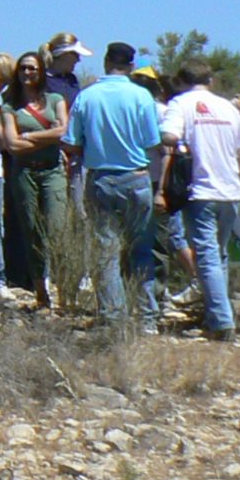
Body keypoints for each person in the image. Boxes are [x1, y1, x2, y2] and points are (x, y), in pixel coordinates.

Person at [64, 42, 164, 333]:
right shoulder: (141, 96)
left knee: (106, 250)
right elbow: (152, 142)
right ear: (131, 66)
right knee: (141, 249)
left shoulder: (87, 96)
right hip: (136, 177)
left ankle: (113, 316)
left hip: (102, 179)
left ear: (106, 62)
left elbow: (71, 142)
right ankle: (147, 318)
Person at [160, 60, 240, 341]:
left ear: (180, 81)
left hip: (199, 191)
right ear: (210, 81)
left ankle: (222, 323)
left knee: (207, 257)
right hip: (229, 191)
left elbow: (169, 135)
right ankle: (217, 315)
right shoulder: (227, 107)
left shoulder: (180, 104)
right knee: (220, 254)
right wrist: (231, 176)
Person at [0, 52, 70, 308]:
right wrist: (47, 136)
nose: (28, 73)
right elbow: (11, 144)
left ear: (41, 72)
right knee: (32, 230)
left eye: (33, 69)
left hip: (52, 170)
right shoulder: (9, 106)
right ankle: (41, 293)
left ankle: (63, 290)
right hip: (24, 172)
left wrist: (30, 136)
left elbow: (64, 131)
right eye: (24, 69)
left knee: (57, 228)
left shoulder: (55, 100)